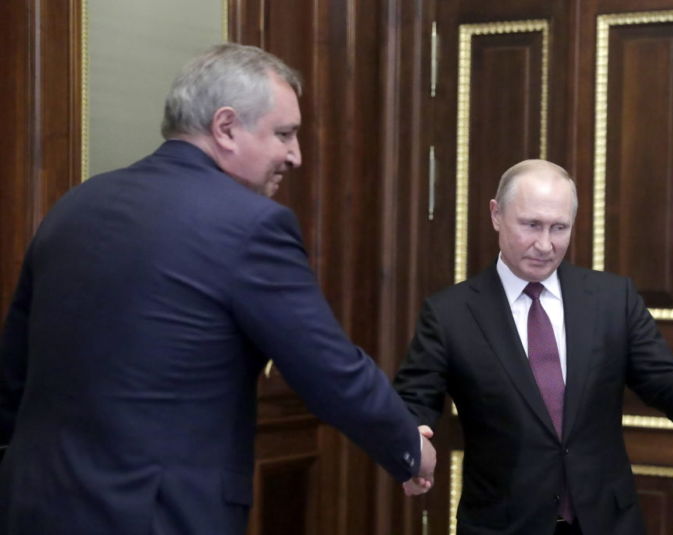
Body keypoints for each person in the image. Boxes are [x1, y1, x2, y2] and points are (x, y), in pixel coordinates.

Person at [0, 43, 435, 535]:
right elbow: (328, 368)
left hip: (32, 503)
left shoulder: (73, 206)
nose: (295, 156)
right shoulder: (251, 225)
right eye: (284, 134)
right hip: (157, 515)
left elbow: (14, 372)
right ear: (225, 127)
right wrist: (409, 446)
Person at [394, 159, 673, 535]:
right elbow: (413, 403)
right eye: (531, 225)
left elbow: (660, 381)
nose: (545, 245)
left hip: (607, 522)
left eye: (559, 228)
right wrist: (411, 445)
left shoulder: (613, 298)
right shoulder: (450, 314)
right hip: (503, 524)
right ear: (496, 214)